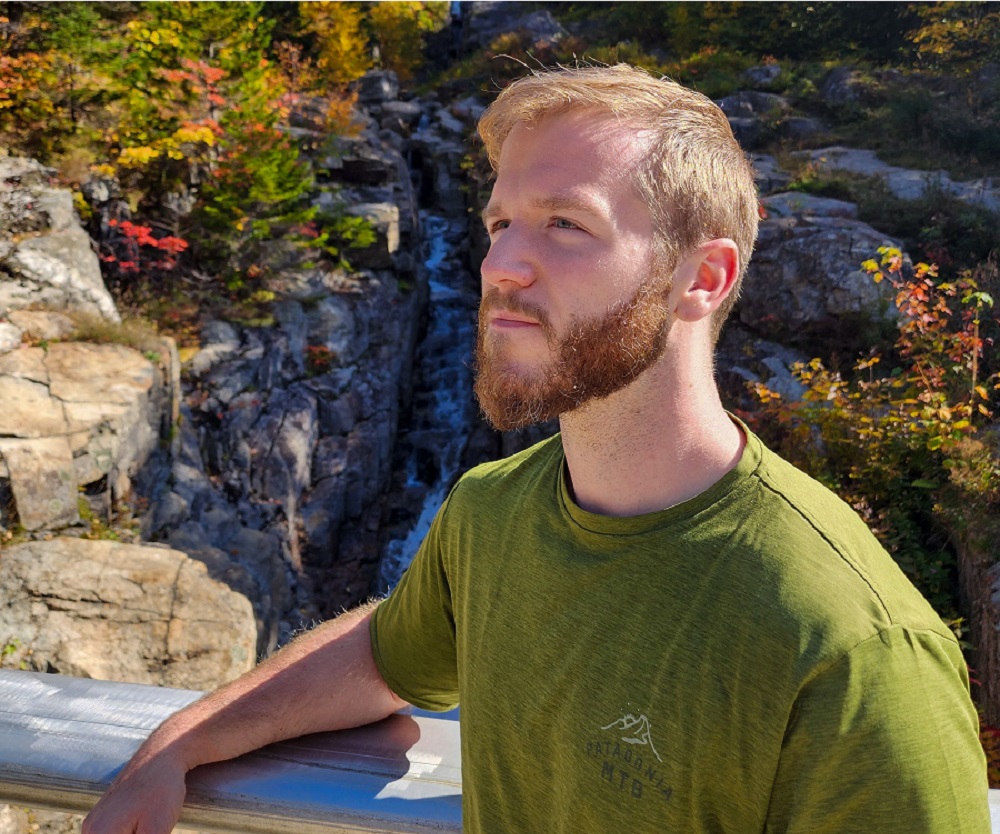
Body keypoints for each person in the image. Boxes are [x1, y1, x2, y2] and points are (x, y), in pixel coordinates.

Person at [82, 64, 989, 834]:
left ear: (701, 279)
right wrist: (180, 741)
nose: (501, 265)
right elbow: (385, 652)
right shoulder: (493, 512)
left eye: (565, 224)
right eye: (499, 223)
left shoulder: (852, 649)